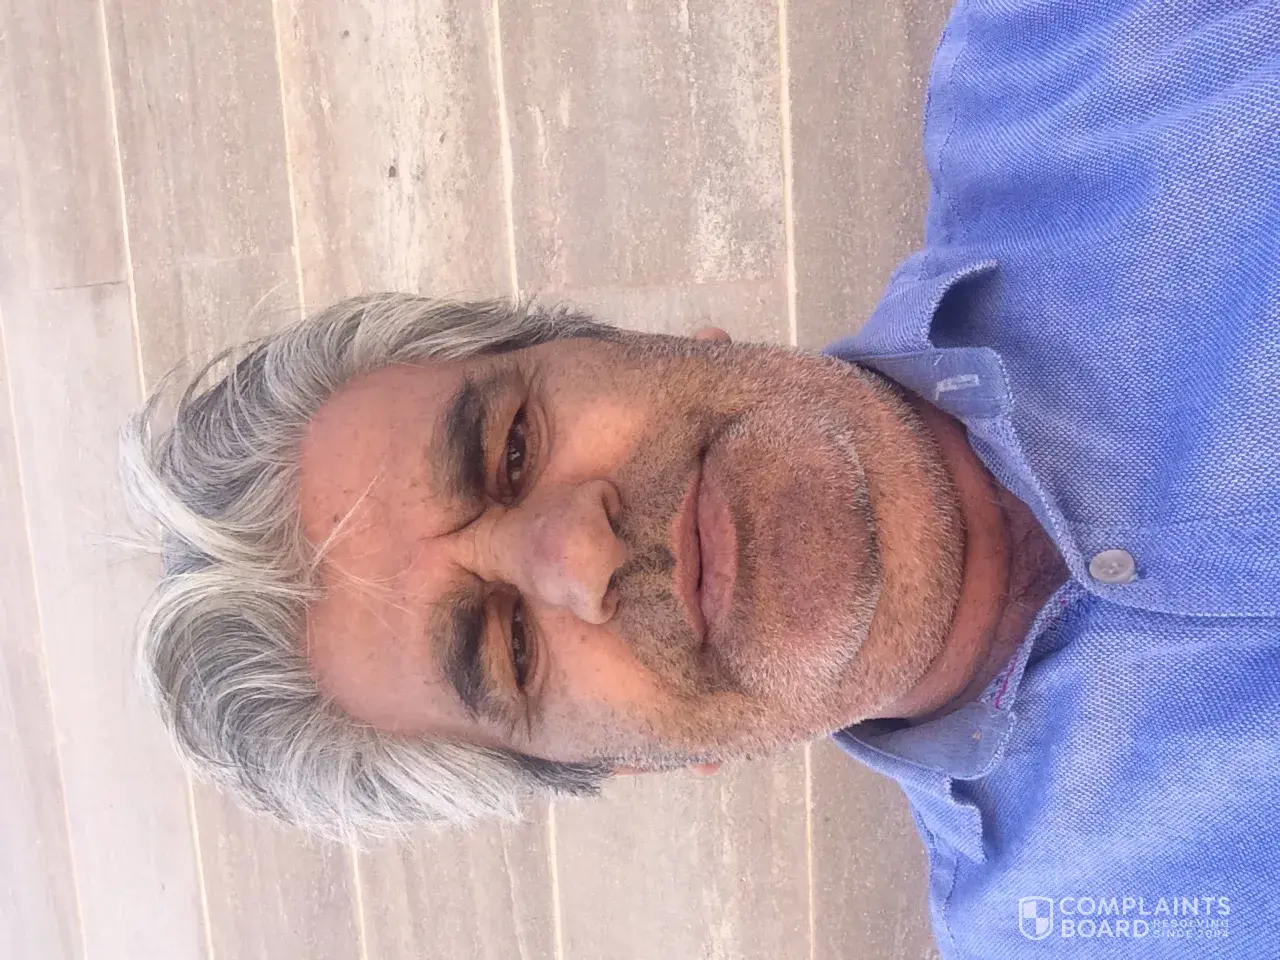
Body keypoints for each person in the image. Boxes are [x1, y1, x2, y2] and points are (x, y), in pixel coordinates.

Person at [122, 1, 1279, 956]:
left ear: (635, 342)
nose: (577, 551)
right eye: (509, 648)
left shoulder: (1087, 44)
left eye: (512, 448)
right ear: (634, 762)